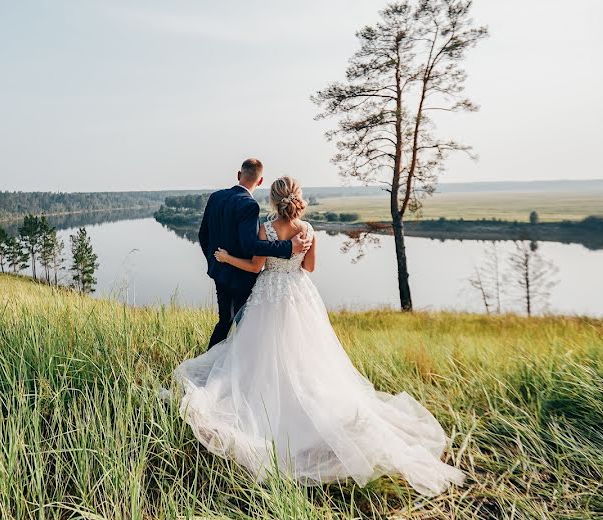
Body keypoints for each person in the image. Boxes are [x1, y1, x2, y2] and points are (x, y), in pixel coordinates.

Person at [174, 175, 465, 496]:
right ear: (297, 198)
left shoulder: (265, 229)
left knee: (259, 355)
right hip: (299, 296)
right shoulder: (308, 230)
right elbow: (309, 268)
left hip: (268, 296)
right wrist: (295, 256)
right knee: (307, 358)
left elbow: (256, 267)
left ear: (272, 200)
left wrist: (228, 258)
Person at [198, 158, 311, 349]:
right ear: (260, 181)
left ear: (239, 175)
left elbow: (203, 235)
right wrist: (289, 247)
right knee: (243, 328)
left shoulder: (215, 197)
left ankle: (211, 364)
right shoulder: (249, 205)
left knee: (224, 321)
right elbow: (251, 245)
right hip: (242, 277)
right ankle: (230, 367)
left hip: (219, 272)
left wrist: (215, 262)